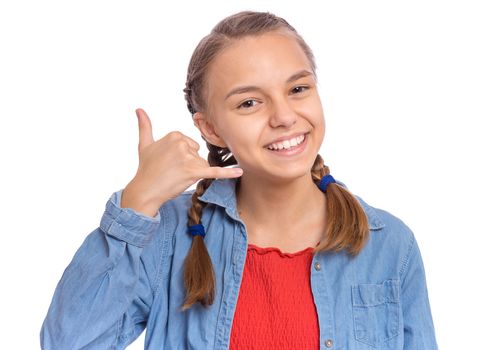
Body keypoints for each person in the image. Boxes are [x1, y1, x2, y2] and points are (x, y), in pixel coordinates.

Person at [40, 10, 438, 349]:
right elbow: (68, 342)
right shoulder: (167, 238)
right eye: (249, 102)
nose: (284, 116)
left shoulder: (389, 244)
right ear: (210, 129)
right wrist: (138, 201)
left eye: (298, 88)